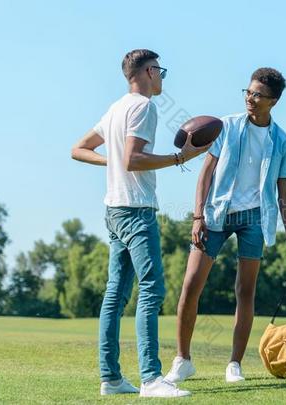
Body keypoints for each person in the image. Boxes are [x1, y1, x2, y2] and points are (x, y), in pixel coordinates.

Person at [71, 49, 208, 398]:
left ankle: (111, 379)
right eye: (160, 70)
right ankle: (150, 378)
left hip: (114, 209)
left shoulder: (116, 108)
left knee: (114, 295)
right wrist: (180, 158)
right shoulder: (144, 107)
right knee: (152, 290)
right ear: (148, 71)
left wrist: (112, 164)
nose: (161, 77)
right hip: (135, 210)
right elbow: (133, 160)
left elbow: (79, 149)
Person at [164, 67, 286, 384]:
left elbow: (285, 196)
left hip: (255, 220)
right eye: (247, 92)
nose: (250, 98)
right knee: (190, 286)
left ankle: (234, 364)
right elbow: (205, 172)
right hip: (215, 214)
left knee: (245, 292)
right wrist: (198, 216)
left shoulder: (282, 141)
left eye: (257, 94)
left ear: (272, 101)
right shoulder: (227, 126)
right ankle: (182, 359)